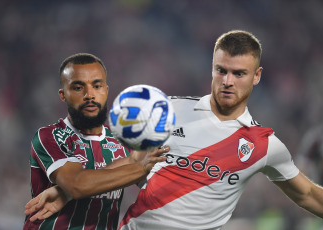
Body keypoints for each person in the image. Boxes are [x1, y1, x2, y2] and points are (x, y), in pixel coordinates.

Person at [25, 31, 323, 230]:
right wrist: (71, 191)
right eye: (221, 70)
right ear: (212, 68)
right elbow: (131, 165)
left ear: (256, 76)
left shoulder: (264, 145)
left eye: (239, 73)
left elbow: (308, 194)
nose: (228, 81)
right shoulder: (166, 110)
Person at [23, 53, 169, 230]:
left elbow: (158, 172)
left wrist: (65, 194)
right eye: (78, 87)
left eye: (97, 86)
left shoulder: (123, 144)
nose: (89, 95)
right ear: (63, 95)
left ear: (106, 91)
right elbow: (77, 184)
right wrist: (139, 167)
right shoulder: (50, 136)